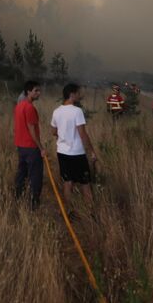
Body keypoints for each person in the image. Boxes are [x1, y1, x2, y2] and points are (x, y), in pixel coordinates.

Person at [51, 82, 99, 211]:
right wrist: (92, 152)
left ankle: (68, 211)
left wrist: (64, 136)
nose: (79, 95)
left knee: (68, 182)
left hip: (62, 152)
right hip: (76, 153)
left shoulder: (56, 111)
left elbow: (54, 132)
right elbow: (82, 133)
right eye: (78, 93)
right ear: (72, 94)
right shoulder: (77, 111)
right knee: (85, 183)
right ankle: (90, 212)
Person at [14, 80, 45, 208]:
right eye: (36, 90)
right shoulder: (30, 107)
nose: (39, 93)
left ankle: (17, 198)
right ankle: (34, 204)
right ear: (28, 91)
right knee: (35, 176)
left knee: (21, 173)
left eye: (39, 90)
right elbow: (32, 129)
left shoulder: (19, 105)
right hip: (31, 148)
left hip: (21, 146)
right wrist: (41, 147)